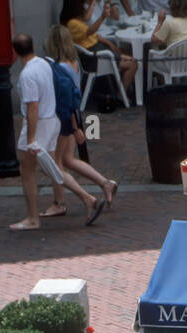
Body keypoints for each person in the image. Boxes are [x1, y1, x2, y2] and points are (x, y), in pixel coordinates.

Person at [9, 33, 101, 232]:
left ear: (15, 52)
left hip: (39, 124)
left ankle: (33, 218)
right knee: (53, 167)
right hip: (53, 122)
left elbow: (33, 107)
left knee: (27, 172)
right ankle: (87, 198)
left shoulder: (27, 75)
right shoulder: (44, 63)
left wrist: (31, 138)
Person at [42, 26, 119, 218]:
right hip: (73, 115)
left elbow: (65, 99)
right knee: (68, 160)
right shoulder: (74, 62)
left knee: (55, 163)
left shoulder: (58, 68)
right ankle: (104, 183)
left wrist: (74, 128)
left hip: (64, 118)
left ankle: (62, 203)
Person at [60, 0, 139, 92]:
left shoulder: (76, 22)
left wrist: (109, 43)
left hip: (98, 53)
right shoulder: (73, 23)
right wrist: (102, 17)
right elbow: (90, 31)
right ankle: (122, 94)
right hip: (95, 59)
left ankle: (122, 88)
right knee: (133, 63)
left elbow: (94, 35)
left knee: (128, 55)